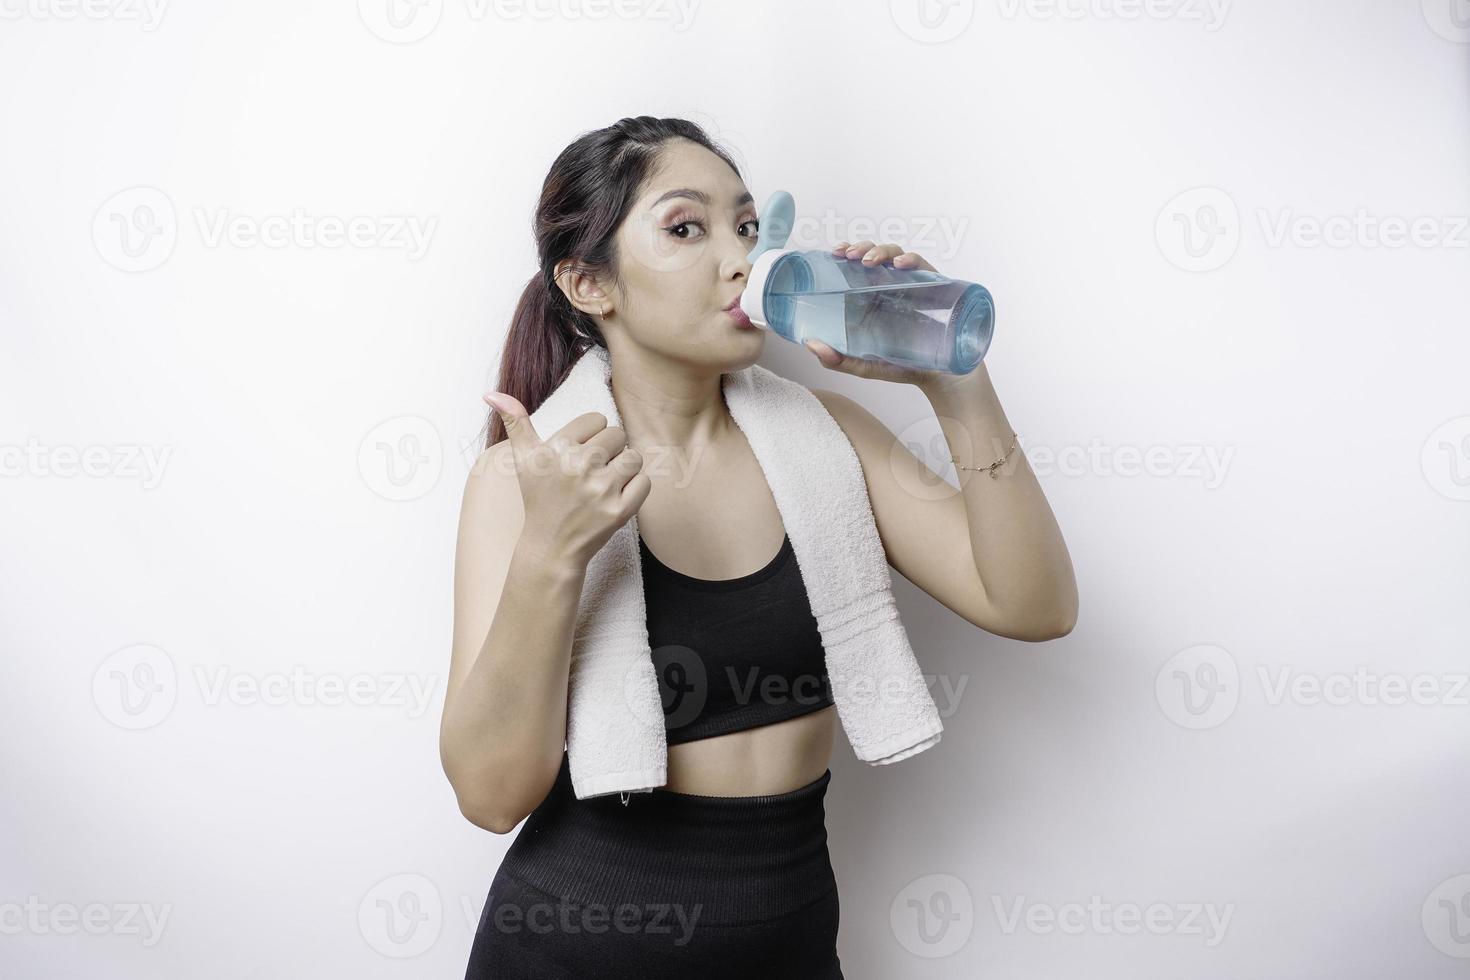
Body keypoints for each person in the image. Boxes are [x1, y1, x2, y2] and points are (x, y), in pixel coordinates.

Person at [442, 115, 1079, 977]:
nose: (739, 257)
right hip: (576, 944)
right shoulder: (534, 479)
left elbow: (1034, 606)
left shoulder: (829, 437)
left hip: (791, 941)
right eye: (684, 229)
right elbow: (490, 797)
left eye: (746, 225)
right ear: (591, 284)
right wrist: (552, 554)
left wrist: (958, 387)